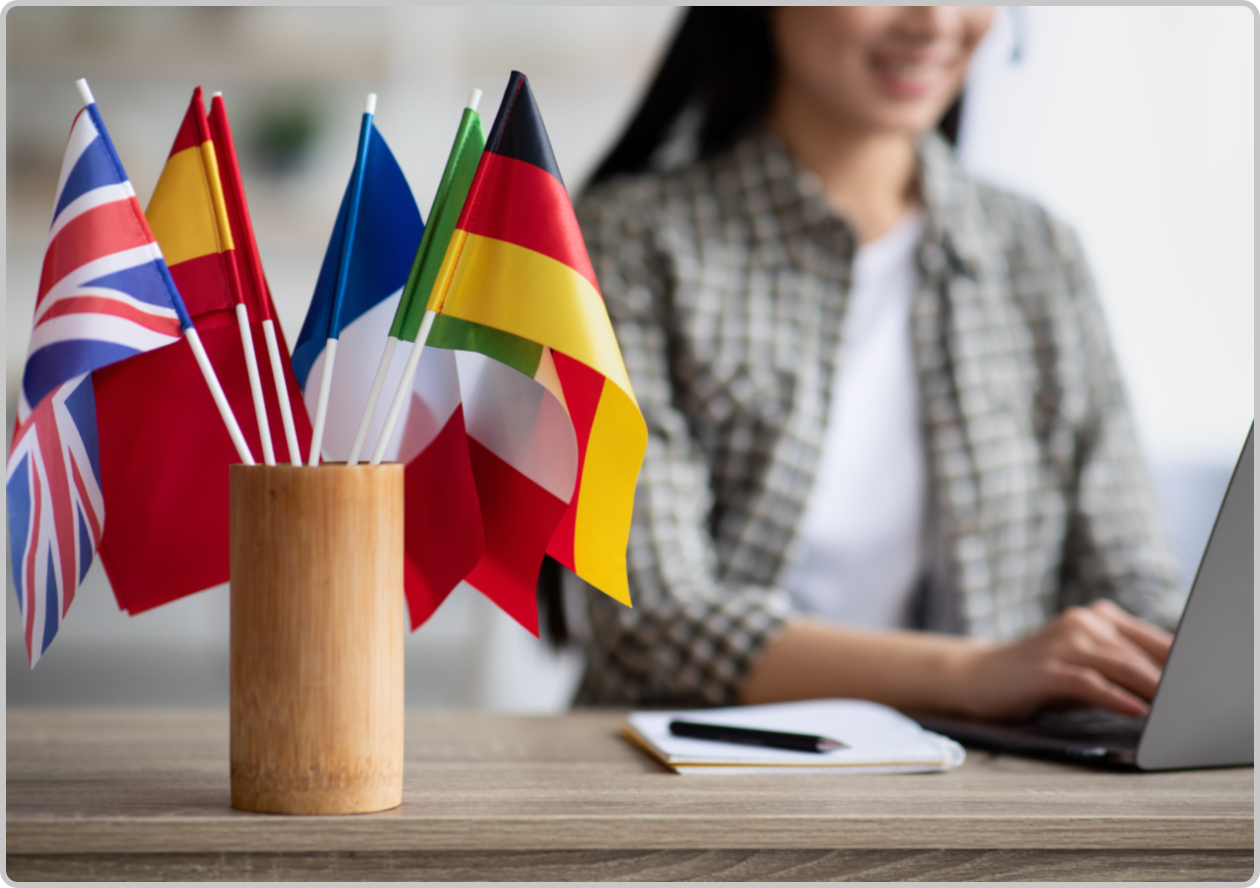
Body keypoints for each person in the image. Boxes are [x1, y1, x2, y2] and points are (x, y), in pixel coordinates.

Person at [566, 7, 1184, 719]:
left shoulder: (1039, 252)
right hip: (696, 778)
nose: (934, 19)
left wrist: (1174, 665)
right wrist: (979, 673)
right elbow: (654, 620)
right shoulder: (631, 243)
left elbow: (1133, 581)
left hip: (995, 786)